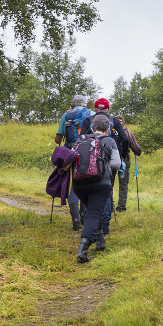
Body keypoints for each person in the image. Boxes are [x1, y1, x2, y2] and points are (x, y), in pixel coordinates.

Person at [73, 114, 121, 263]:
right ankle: (83, 249)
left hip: (79, 184)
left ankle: (100, 242)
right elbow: (116, 164)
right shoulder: (110, 140)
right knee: (93, 214)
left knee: (94, 209)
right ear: (108, 128)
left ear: (92, 127)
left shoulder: (81, 140)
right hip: (100, 184)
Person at [84, 99, 129, 238]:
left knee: (90, 190)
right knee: (106, 189)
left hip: (90, 161)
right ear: (108, 109)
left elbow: (82, 139)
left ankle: (89, 220)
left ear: (95, 108)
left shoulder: (88, 120)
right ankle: (105, 225)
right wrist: (123, 154)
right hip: (109, 161)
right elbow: (125, 138)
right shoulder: (114, 120)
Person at [55, 94, 94, 231]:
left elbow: (57, 139)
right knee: (85, 183)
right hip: (88, 153)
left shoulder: (66, 115)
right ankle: (84, 217)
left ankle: (75, 221)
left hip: (70, 154)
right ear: (85, 104)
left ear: (72, 104)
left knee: (72, 186)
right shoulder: (91, 114)